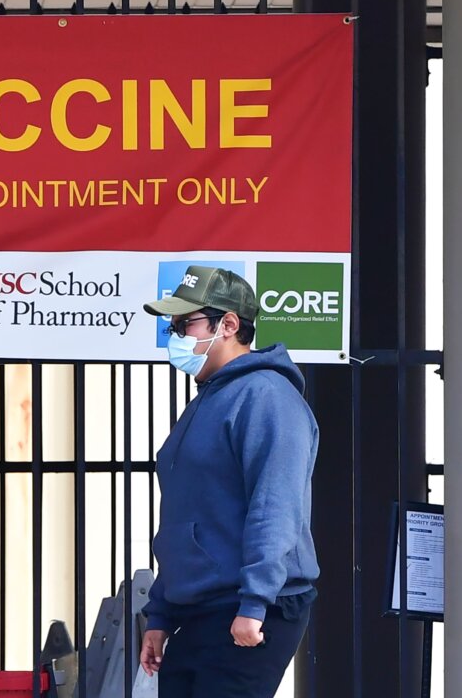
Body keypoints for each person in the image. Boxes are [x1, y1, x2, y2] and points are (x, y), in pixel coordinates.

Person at [138, 265, 319, 698]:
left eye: (185, 323)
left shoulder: (267, 396)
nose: (174, 334)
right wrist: (161, 613)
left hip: (252, 606)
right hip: (201, 607)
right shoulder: (209, 399)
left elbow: (275, 507)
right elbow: (184, 518)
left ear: (229, 324)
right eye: (172, 325)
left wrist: (254, 603)